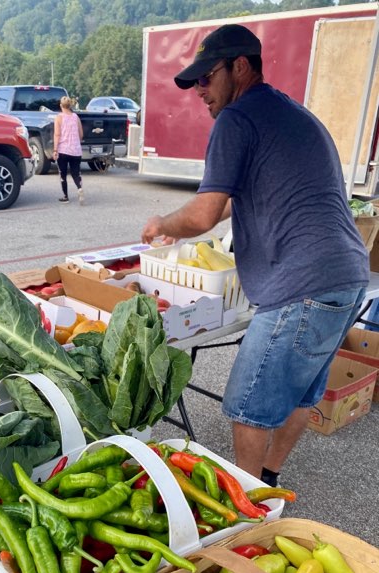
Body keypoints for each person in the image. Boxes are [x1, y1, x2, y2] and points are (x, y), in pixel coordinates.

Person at [141, 24, 370, 486]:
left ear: (240, 67)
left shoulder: (237, 118)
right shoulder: (292, 114)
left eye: (208, 77)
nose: (200, 91)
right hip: (347, 277)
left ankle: (246, 512)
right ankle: (266, 481)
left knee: (247, 407)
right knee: (302, 396)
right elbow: (229, 200)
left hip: (300, 287)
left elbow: (204, 213)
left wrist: (163, 225)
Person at [53, 96, 85, 204]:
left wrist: (55, 150)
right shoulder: (76, 117)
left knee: (63, 173)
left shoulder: (59, 117)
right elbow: (81, 134)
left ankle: (65, 196)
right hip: (76, 150)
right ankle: (79, 187)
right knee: (76, 173)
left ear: (61, 105)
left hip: (63, 150)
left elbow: (57, 134)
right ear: (70, 105)